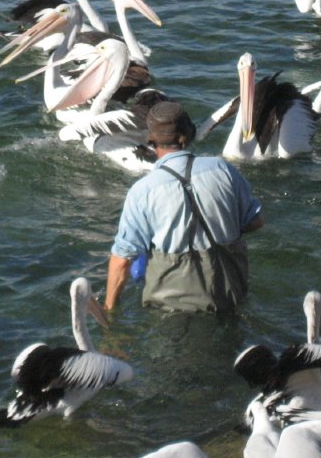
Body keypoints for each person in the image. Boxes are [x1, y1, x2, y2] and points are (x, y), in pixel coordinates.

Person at [105, 101, 264, 314]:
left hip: (172, 306)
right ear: (188, 135)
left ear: (151, 141)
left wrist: (109, 311)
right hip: (229, 294)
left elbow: (122, 260)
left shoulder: (142, 190)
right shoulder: (223, 169)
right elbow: (256, 221)